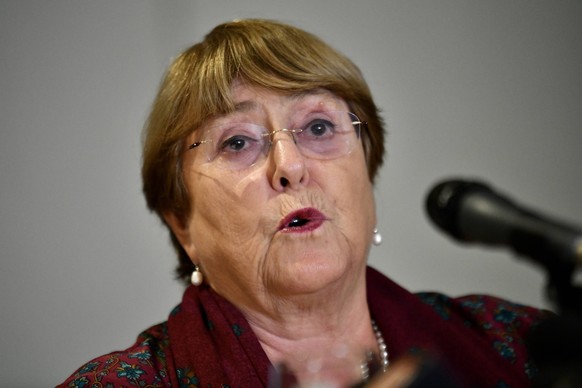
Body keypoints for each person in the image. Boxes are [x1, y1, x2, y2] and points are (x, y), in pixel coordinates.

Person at [59, 19, 550, 387]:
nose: (289, 166)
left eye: (318, 127)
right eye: (236, 142)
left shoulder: (521, 346)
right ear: (182, 225)